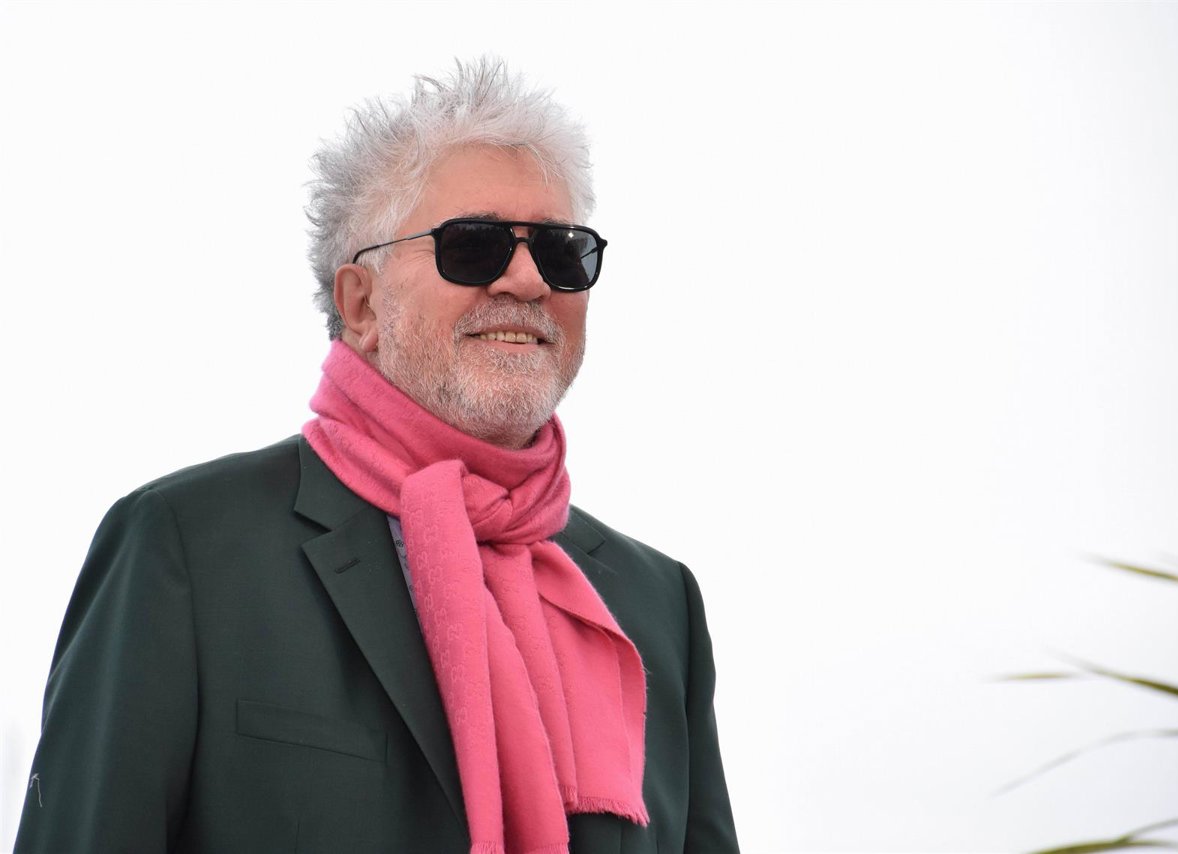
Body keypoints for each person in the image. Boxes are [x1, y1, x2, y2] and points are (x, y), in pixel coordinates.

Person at [15, 59, 738, 854]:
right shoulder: (189, 549)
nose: (529, 279)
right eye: (474, 246)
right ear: (361, 304)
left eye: (561, 252)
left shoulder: (654, 604)